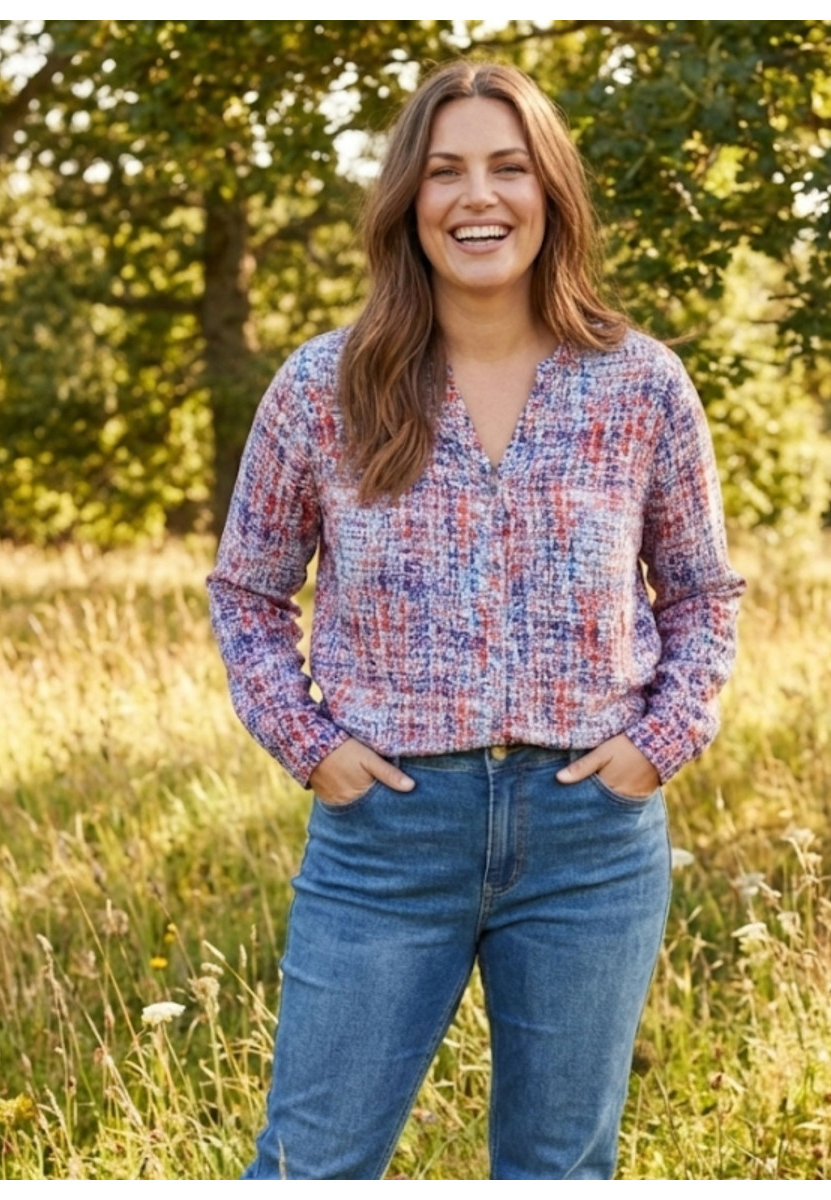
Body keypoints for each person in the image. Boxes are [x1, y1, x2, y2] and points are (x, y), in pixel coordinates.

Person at [206, 60, 745, 1181]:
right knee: (309, 1169)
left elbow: (700, 593)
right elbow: (248, 593)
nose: (478, 196)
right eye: (445, 170)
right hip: (386, 837)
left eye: (508, 167)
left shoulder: (640, 385)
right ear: (408, 199)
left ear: (550, 193)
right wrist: (310, 747)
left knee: (558, 1172)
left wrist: (659, 743)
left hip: (589, 838)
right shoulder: (324, 386)